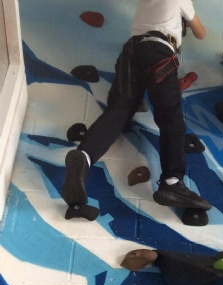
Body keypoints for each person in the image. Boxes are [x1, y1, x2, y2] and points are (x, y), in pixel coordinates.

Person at [62, 0, 212, 216]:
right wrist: (186, 21)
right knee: (170, 117)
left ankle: (83, 157)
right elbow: (201, 33)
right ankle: (172, 182)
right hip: (158, 53)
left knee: (119, 110)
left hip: (130, 54)